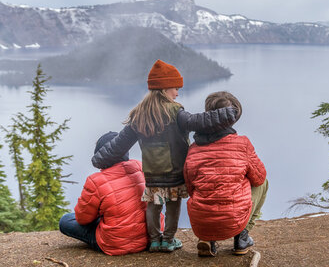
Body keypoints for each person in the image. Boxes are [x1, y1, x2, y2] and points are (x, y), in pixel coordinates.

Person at [91, 60, 237, 253]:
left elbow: (118, 146)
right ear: (164, 89)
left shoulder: (139, 115)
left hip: (153, 175)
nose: (177, 92)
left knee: (153, 206)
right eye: (175, 88)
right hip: (175, 173)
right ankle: (168, 240)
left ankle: (154, 240)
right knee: (173, 206)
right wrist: (228, 112)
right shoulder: (176, 112)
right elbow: (200, 122)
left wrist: (98, 160)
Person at [184, 91, 268, 257]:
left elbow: (190, 187)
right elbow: (259, 177)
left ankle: (208, 239)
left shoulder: (194, 148)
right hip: (234, 221)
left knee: (205, 188)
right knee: (263, 183)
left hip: (201, 222)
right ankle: (241, 238)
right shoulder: (242, 143)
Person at [59, 131, 147, 255]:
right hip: (147, 238)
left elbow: (82, 218)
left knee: (65, 221)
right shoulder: (140, 167)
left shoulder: (95, 181)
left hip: (116, 244)